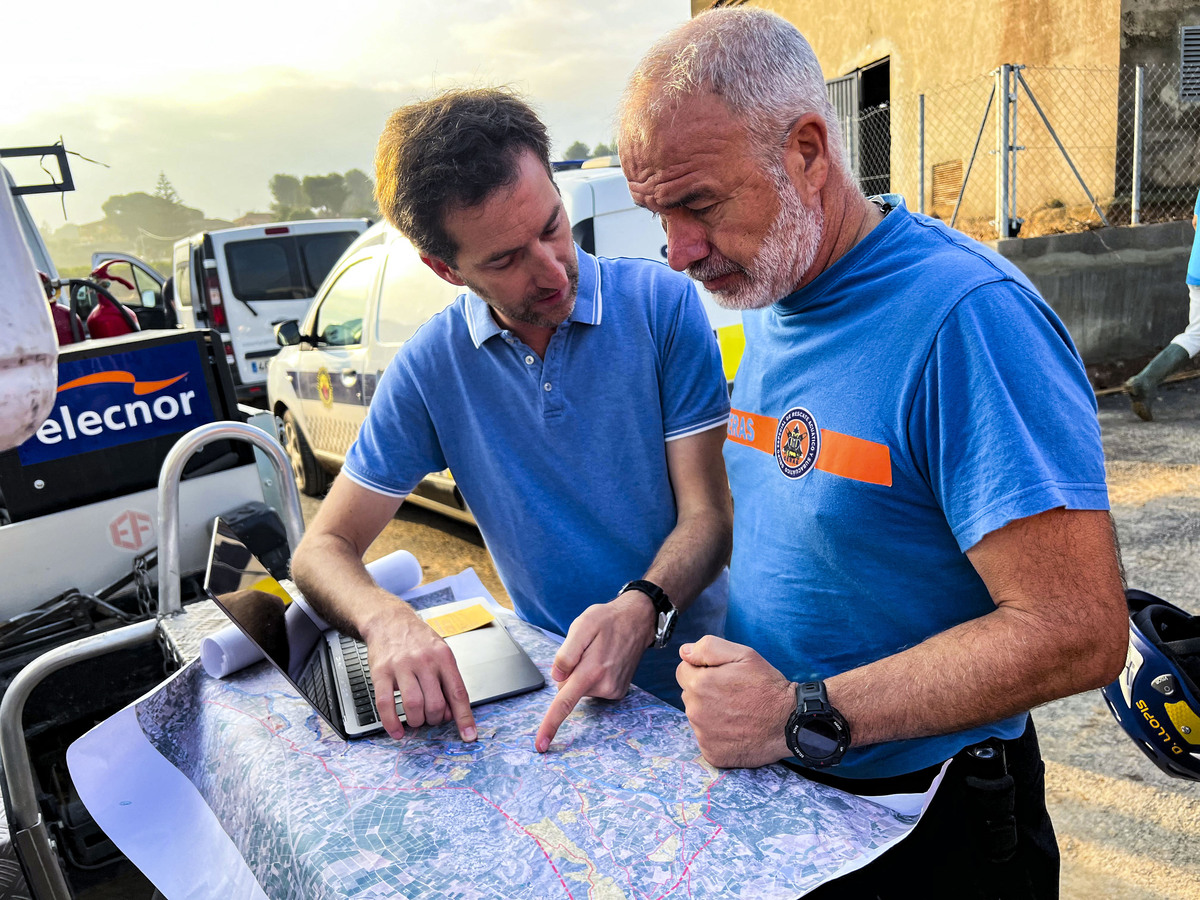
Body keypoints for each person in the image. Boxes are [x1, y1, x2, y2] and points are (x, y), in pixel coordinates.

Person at [618, 9, 1128, 898]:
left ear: (808, 152)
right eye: (659, 214)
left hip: (933, 821)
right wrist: (651, 604)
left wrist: (796, 714)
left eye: (697, 205)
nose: (678, 252)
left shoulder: (967, 318)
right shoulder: (776, 289)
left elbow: (1077, 630)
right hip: (804, 799)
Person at [291, 88, 732, 753]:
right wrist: (387, 621)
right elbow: (320, 551)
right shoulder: (431, 368)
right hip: (560, 707)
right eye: (504, 259)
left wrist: (643, 608)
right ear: (445, 268)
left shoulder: (661, 307)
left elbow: (710, 520)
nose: (553, 269)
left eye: (553, 226)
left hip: (701, 691)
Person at [1124, 189, 1200, 420]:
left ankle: (1145, 381)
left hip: (1197, 271)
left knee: (1196, 334)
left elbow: (1196, 222)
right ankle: (1144, 381)